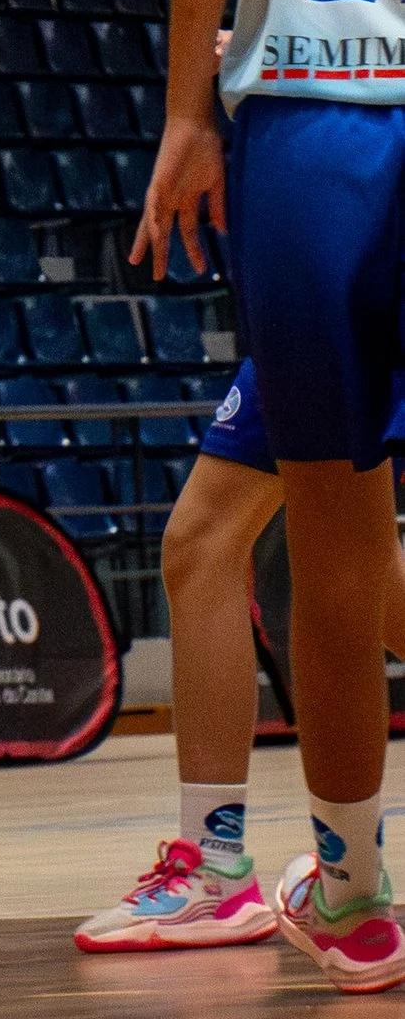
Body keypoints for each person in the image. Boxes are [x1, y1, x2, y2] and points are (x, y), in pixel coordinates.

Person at [140, 0, 405, 990]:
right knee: (246, 536)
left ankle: (355, 895)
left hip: (321, 127)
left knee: (339, 545)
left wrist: (188, 114)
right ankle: (232, 858)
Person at [75, 363, 405, 951]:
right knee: (212, 543)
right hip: (314, 321)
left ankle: (317, 885)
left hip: (344, 319)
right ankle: (218, 860)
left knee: (345, 559)